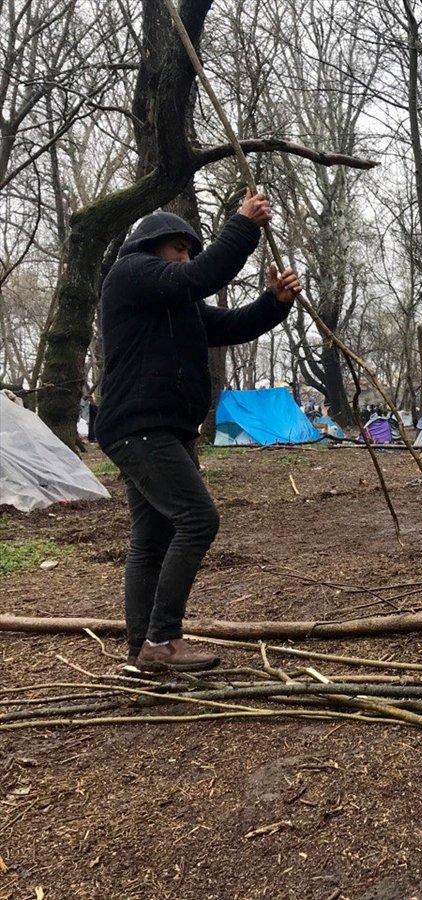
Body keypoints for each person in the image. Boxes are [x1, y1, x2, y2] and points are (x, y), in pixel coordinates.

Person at [94, 192, 301, 672]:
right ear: (151, 247)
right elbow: (202, 274)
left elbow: (231, 324)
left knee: (152, 539)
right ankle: (164, 639)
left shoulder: (176, 303)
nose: (186, 256)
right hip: (139, 426)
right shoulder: (131, 275)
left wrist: (275, 302)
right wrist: (244, 225)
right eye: (178, 248)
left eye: (191, 248)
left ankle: (143, 652)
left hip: (165, 429)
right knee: (197, 519)